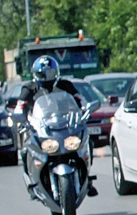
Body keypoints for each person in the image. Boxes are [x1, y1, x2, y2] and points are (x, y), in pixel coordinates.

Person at [16, 56, 97, 197]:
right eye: (43, 74)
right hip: (40, 129)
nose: (48, 78)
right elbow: (19, 107)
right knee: (25, 151)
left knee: (86, 142)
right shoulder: (29, 88)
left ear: (56, 72)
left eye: (51, 73)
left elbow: (80, 100)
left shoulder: (65, 85)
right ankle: (31, 182)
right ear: (36, 74)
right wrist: (21, 119)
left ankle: (87, 179)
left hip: (65, 126)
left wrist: (85, 110)